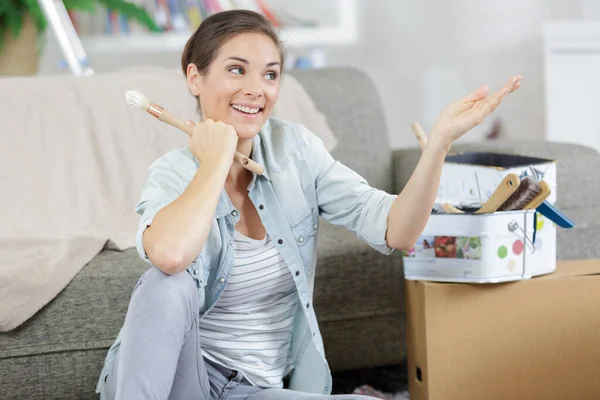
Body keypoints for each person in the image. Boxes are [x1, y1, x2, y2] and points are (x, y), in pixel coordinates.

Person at [96, 9, 521, 400]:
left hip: (252, 390)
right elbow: (169, 257)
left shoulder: (295, 151)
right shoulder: (172, 172)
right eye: (236, 70)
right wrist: (214, 163)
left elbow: (398, 229)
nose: (255, 89)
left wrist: (440, 144)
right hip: (178, 382)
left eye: (270, 75)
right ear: (195, 78)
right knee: (166, 285)